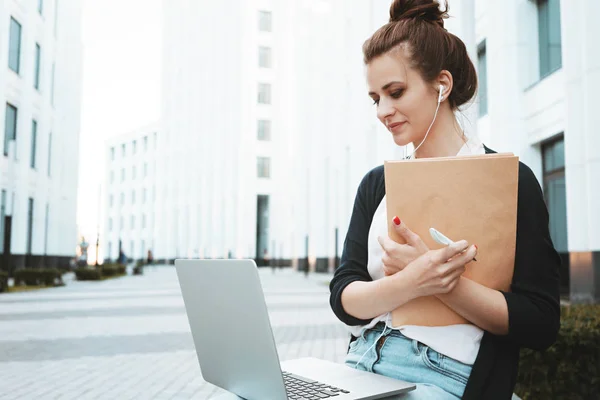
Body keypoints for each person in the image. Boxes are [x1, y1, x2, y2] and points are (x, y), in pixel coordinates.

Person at [328, 1, 561, 399]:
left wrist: (440, 284)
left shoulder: (509, 180)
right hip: (363, 364)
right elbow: (344, 296)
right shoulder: (376, 183)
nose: (383, 111)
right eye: (375, 98)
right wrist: (409, 283)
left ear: (442, 85)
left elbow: (540, 320)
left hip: (443, 377)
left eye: (395, 92)